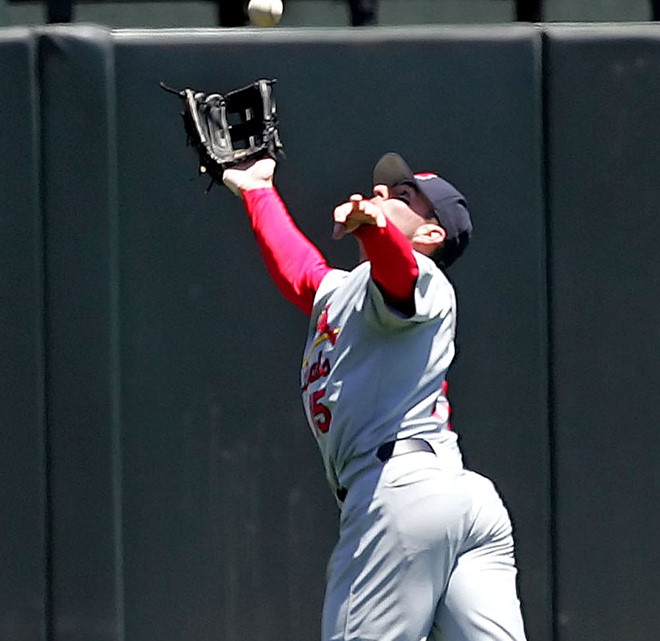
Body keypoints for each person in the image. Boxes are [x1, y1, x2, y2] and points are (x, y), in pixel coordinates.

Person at [220, 154, 528, 640]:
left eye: (405, 197)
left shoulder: (425, 279)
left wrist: (373, 230)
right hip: (458, 499)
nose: (384, 193)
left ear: (431, 235)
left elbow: (398, 274)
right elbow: (301, 271)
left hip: (402, 491)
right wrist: (258, 191)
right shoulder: (347, 290)